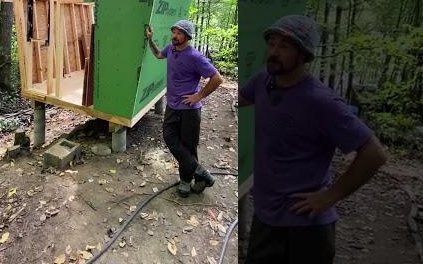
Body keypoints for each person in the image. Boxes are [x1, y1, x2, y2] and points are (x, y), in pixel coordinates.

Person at [239, 15, 387, 264]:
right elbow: (240, 98)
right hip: (265, 219)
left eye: (284, 47)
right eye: (272, 44)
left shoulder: (321, 101)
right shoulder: (262, 81)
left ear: (303, 54)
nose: (274, 52)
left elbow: (374, 154)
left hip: (305, 226)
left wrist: (330, 196)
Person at [145, 19, 224, 197]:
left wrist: (199, 95)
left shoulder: (195, 56)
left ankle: (186, 181)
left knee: (188, 146)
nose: (175, 35)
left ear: (187, 37)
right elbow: (158, 55)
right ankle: (201, 173)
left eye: (179, 33)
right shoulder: (171, 50)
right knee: (169, 137)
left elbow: (217, 78)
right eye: (174, 32)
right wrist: (150, 39)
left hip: (190, 110)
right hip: (173, 106)